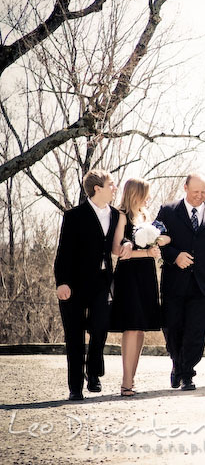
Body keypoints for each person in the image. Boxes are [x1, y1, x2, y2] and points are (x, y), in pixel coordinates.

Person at [54, 169, 129, 401]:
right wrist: (62, 283)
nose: (115, 188)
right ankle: (75, 387)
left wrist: (126, 243)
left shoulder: (116, 215)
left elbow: (121, 239)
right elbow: (63, 253)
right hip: (74, 285)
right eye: (112, 184)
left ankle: (93, 372)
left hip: (102, 282)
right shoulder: (74, 216)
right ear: (98, 188)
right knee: (74, 336)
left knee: (100, 328)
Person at [156, 173, 205, 391]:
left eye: (204, 192)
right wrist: (174, 256)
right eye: (195, 191)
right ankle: (177, 365)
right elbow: (156, 241)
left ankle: (188, 373)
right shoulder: (168, 211)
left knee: (196, 331)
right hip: (174, 283)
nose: (200, 196)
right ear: (185, 188)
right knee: (173, 328)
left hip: (204, 284)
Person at [109, 178, 170, 396]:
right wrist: (146, 252)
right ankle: (125, 381)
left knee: (142, 326)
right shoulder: (121, 215)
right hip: (129, 275)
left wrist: (157, 245)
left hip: (146, 273)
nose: (149, 197)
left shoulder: (144, 216)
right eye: (146, 193)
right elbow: (117, 250)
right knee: (131, 325)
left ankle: (131, 379)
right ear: (136, 193)